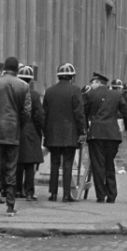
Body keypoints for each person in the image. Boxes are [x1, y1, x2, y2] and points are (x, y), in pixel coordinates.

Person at [0, 56, 31, 215]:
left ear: (4, 69)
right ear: (17, 69)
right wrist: (18, 124)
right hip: (13, 131)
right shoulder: (23, 85)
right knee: (11, 169)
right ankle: (10, 207)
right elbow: (26, 111)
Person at [83, 71, 127, 204]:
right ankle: (112, 195)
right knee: (109, 163)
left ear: (99, 83)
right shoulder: (116, 95)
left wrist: (85, 129)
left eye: (92, 82)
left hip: (96, 134)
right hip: (112, 134)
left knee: (97, 165)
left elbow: (83, 113)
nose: (91, 85)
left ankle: (101, 195)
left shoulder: (90, 94)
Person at [43, 62, 86, 202]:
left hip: (53, 133)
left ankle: (53, 193)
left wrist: (45, 133)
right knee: (68, 163)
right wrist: (82, 131)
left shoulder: (49, 91)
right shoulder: (75, 90)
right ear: (71, 77)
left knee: (54, 163)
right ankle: (67, 194)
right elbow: (79, 113)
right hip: (69, 134)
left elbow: (45, 114)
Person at [14, 66, 46, 202]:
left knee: (17, 162)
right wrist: (42, 129)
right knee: (29, 164)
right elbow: (39, 115)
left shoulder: (13, 92)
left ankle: (16, 190)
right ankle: (29, 192)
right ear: (31, 79)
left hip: (15, 129)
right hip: (31, 131)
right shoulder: (33, 94)